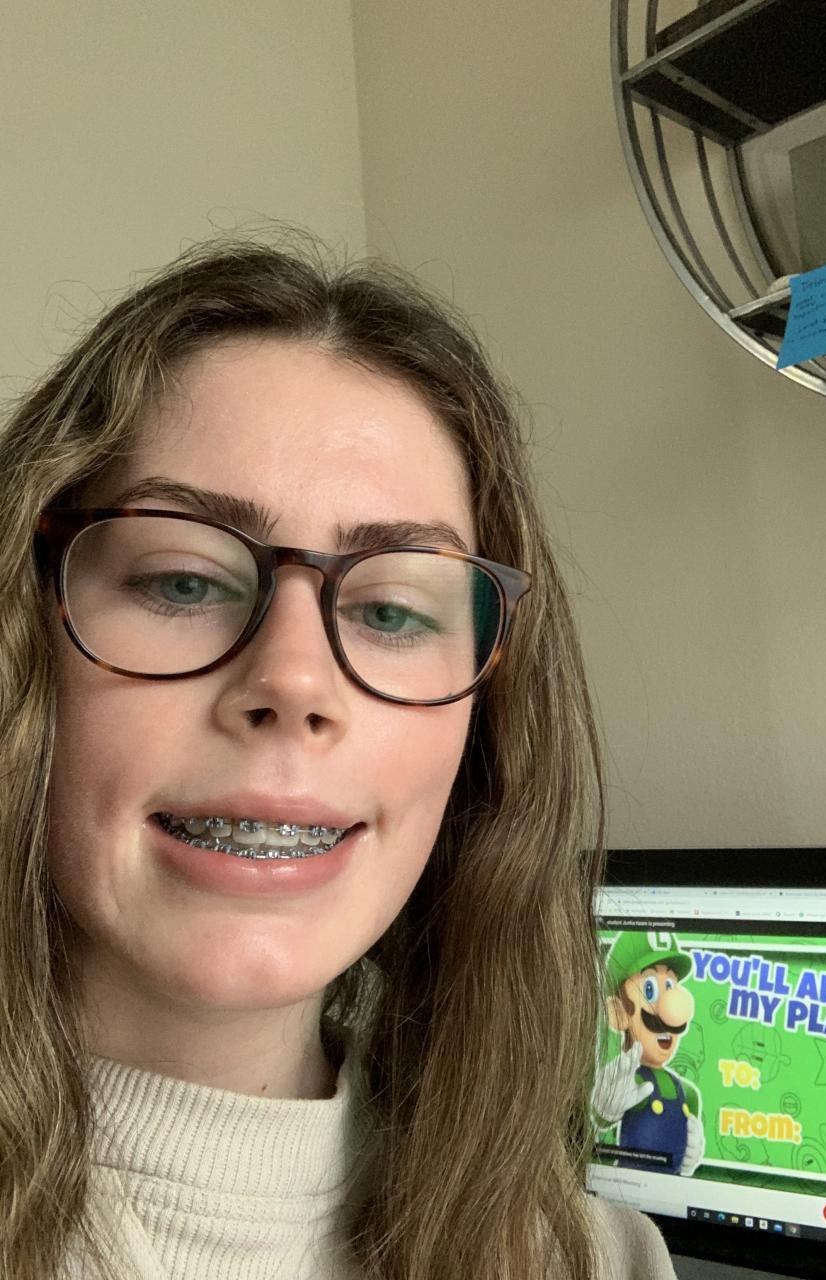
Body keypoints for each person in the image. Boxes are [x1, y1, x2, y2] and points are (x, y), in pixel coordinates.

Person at [0, 232, 678, 1279]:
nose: (294, 681)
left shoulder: (595, 1262)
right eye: (183, 580)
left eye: (392, 609)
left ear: (484, 729)